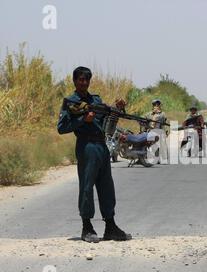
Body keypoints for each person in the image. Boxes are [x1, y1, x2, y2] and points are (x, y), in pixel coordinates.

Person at [57, 66, 132, 243]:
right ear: (74, 81)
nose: (83, 82)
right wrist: (83, 119)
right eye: (80, 79)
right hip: (86, 146)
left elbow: (108, 125)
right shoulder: (70, 102)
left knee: (107, 186)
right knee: (87, 186)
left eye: (86, 79)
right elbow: (61, 128)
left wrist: (115, 111)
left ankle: (110, 226)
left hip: (101, 145)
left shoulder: (96, 100)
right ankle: (87, 227)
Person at [144, 99, 169, 164]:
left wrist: (166, 131)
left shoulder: (163, 114)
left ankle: (163, 159)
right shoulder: (148, 114)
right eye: (154, 105)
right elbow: (143, 121)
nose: (156, 106)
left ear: (159, 106)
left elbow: (165, 123)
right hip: (151, 131)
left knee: (162, 145)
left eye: (157, 105)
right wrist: (144, 130)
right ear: (152, 106)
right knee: (153, 146)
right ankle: (155, 158)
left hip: (160, 131)